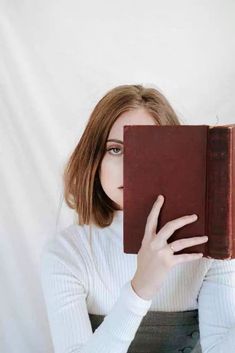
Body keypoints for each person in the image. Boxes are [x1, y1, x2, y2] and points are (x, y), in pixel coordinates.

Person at [40, 84, 235, 353]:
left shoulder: (208, 247)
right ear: (94, 160)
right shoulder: (67, 253)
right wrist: (140, 288)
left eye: (148, 150)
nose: (131, 168)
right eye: (115, 150)